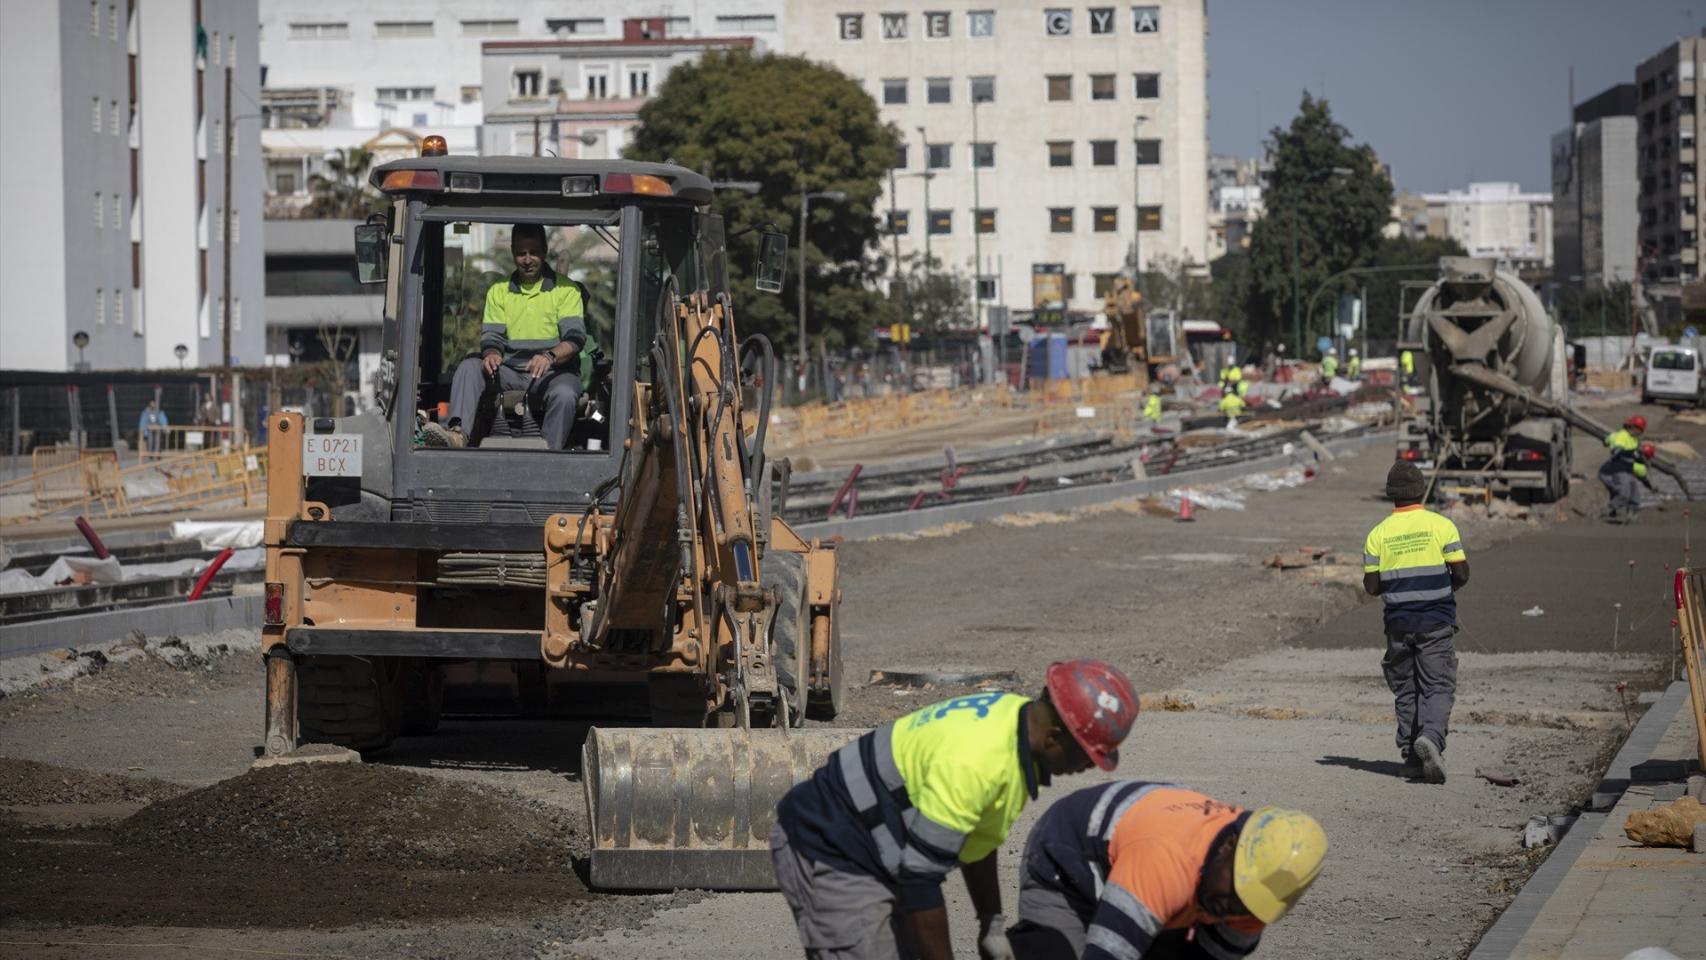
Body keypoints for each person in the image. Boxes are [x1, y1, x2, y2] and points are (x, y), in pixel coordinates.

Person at [771, 660, 1139, 960]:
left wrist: (990, 922)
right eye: (1090, 753)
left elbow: (977, 838)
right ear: (1054, 737)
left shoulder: (1015, 722)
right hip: (828, 845)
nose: (1092, 765)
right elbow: (919, 879)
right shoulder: (976, 762)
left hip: (878, 847)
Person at [1006, 784, 1327, 960]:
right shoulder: (1165, 860)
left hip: (1154, 881)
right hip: (1068, 861)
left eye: (1248, 905)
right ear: (1229, 845)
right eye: (1237, 893)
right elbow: (1107, 954)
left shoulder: (1254, 898)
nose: (1233, 909)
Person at [425, 223, 586, 449]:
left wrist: (549, 356)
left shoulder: (567, 290)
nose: (527, 259)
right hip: (509, 371)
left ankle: (550, 454)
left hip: (553, 372)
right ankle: (457, 434)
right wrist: (491, 354)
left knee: (566, 393)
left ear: (545, 251)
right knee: (469, 367)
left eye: (533, 253)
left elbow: (575, 339)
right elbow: (492, 338)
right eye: (521, 253)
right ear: (512, 252)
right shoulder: (498, 291)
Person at [1363, 461, 1469, 784]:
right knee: (1437, 684)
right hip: (1435, 621)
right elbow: (1462, 573)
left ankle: (1411, 757)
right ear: (1422, 491)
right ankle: (1431, 740)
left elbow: (1371, 586)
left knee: (1406, 688)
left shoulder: (1377, 534)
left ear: (1390, 494)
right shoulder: (1442, 526)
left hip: (1397, 623)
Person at [1600, 416, 1655, 523]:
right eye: (1640, 430)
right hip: (1615, 468)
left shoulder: (1634, 441)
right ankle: (1608, 510)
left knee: (1634, 491)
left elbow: (1642, 476)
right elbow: (1616, 451)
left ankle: (1631, 513)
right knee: (1624, 492)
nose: (1640, 434)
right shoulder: (1622, 436)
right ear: (1634, 427)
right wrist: (1632, 453)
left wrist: (1650, 486)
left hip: (1624, 468)